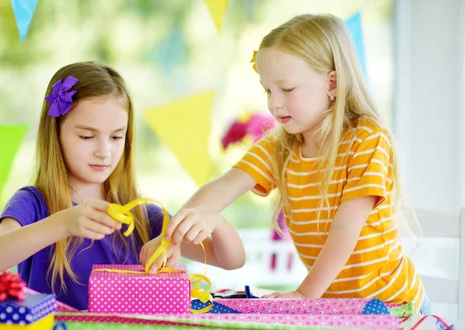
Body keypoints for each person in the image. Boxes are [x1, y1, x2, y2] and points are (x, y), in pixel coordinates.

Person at [156, 14, 430, 313]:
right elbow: (224, 187)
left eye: (287, 89)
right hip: (335, 309)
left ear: (332, 83)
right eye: (268, 90)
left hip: (396, 306)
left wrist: (304, 294)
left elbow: (345, 230)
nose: (274, 103)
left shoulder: (367, 140)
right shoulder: (280, 146)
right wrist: (173, 235)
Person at [0, 61, 245, 310]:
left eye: (116, 136)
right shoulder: (34, 202)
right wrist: (63, 223)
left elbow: (230, 260)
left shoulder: (141, 216)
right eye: (87, 136)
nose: (104, 151)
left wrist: (213, 219)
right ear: (55, 134)